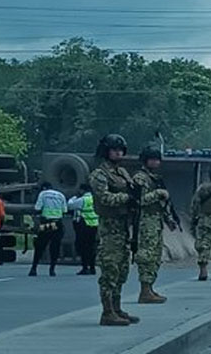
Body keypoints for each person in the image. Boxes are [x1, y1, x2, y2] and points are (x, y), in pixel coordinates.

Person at [88, 134, 140, 326]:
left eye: (121, 149)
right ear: (106, 151)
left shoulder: (123, 173)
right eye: (114, 149)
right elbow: (104, 198)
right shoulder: (99, 175)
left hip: (124, 227)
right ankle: (107, 312)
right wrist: (127, 198)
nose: (118, 152)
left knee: (122, 270)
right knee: (110, 270)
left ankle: (117, 308)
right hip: (109, 227)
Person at [132, 146, 179, 304]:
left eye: (157, 159)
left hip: (156, 220)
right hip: (146, 221)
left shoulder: (155, 178)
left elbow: (162, 204)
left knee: (156, 256)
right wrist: (158, 193)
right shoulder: (140, 178)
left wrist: (168, 219)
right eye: (152, 159)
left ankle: (149, 288)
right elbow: (140, 200)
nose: (155, 162)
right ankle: (145, 290)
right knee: (147, 255)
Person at [29, 182, 66, 277]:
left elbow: (38, 207)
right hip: (58, 223)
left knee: (40, 245)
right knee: (55, 247)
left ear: (44, 188)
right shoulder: (60, 195)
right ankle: (52, 269)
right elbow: (64, 210)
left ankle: (34, 268)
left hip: (47, 224)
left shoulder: (43, 194)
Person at [68, 184, 98, 276]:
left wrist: (72, 198)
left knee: (83, 247)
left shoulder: (82, 199)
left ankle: (85, 267)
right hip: (94, 224)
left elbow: (70, 205)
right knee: (92, 247)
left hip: (84, 225)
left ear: (82, 190)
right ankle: (92, 268)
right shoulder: (94, 199)